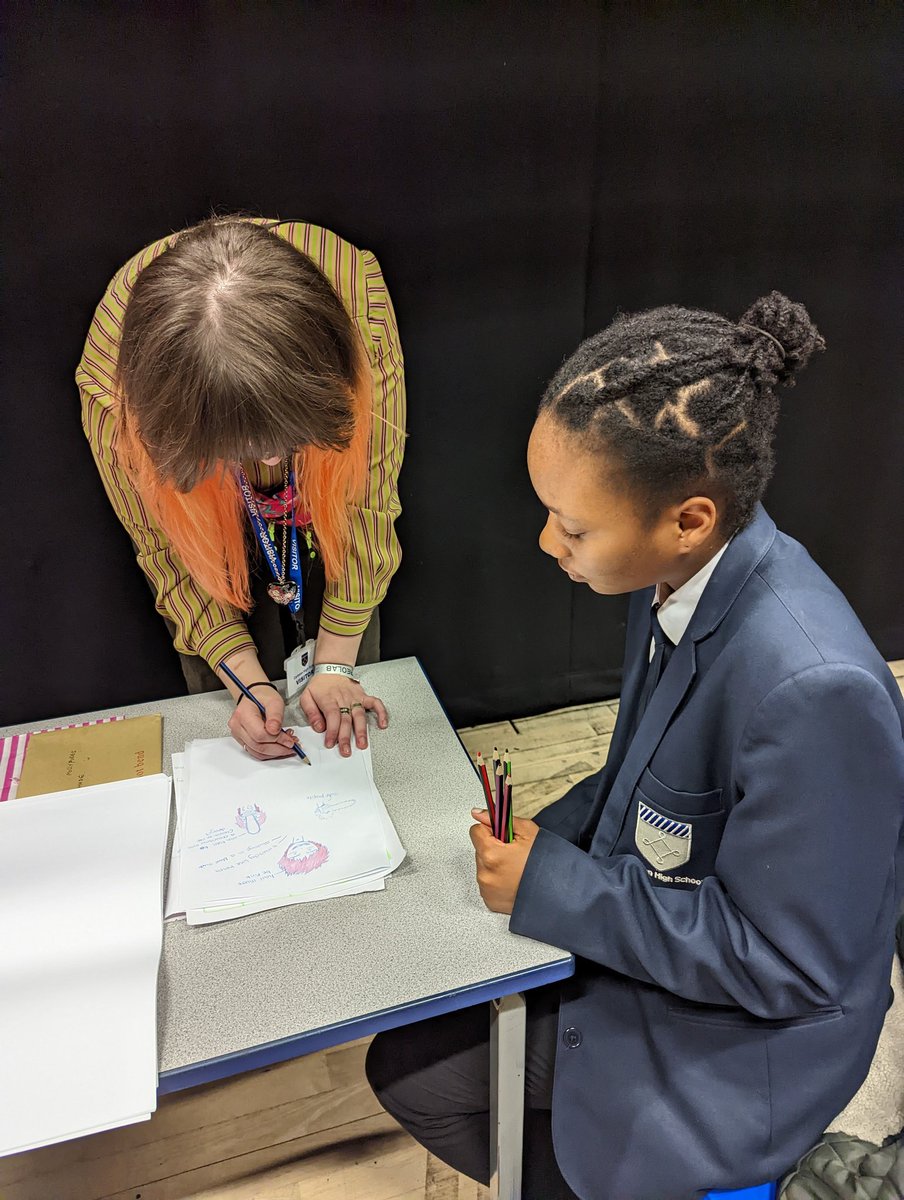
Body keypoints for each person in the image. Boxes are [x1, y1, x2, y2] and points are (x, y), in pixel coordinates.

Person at [365, 292, 904, 1199]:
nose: (547, 543)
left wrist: (554, 885)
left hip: (752, 1040)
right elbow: (641, 784)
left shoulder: (817, 693)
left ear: (686, 518)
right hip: (669, 934)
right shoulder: (676, 581)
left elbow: (785, 965)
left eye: (572, 528)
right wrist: (541, 838)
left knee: (422, 1082)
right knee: (417, 1052)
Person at [77, 217, 405, 759]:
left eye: (285, 440)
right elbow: (166, 550)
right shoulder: (114, 390)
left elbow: (367, 504)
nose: (272, 461)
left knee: (348, 696)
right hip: (201, 523)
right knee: (235, 723)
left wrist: (334, 664)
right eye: (245, 449)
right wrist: (247, 686)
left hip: (333, 508)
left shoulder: (357, 306)